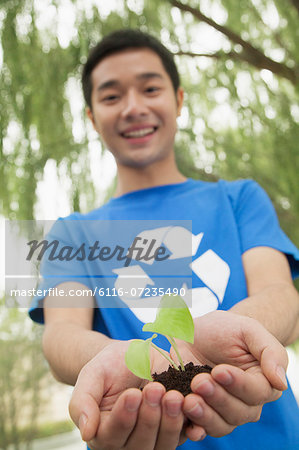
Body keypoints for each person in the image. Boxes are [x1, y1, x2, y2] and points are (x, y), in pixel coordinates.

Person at [29, 29, 299, 450]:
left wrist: (239, 333)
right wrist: (115, 359)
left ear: (178, 99)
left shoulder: (239, 198)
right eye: (112, 96)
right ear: (91, 117)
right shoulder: (72, 233)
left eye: (150, 88)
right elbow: (61, 336)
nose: (134, 108)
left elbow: (280, 294)